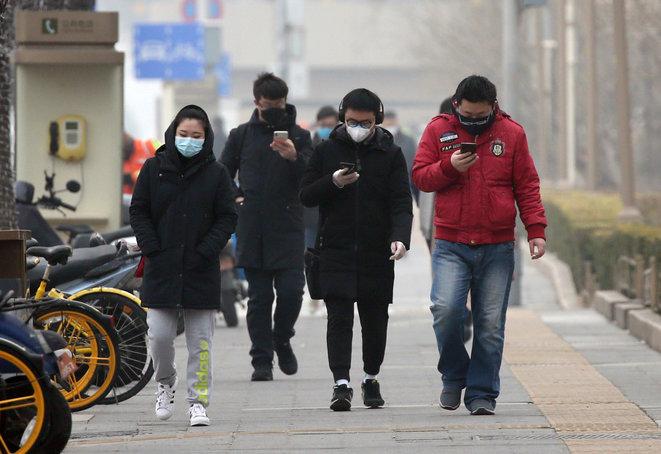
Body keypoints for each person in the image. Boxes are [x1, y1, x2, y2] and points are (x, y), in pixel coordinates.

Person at [412, 75, 547, 416]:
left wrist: (536, 230)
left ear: (493, 107)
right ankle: (454, 375)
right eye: (467, 115)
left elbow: (527, 184)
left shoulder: (511, 133)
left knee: (490, 325)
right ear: (456, 104)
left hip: (497, 244)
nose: (473, 121)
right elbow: (420, 176)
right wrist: (449, 167)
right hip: (451, 242)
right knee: (446, 311)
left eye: (480, 116)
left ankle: (482, 392)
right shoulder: (437, 130)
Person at [300, 88, 413, 411]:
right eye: (351, 121)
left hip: (377, 251)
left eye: (365, 122)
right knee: (338, 318)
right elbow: (306, 194)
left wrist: (400, 237)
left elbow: (401, 202)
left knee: (375, 318)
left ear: (376, 120)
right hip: (334, 248)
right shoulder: (325, 150)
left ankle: (370, 377)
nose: (358, 127)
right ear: (342, 118)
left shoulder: (390, 153)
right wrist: (333, 182)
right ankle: (341, 383)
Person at [130, 104, 238, 427]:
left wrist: (208, 249)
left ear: (206, 139)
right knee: (160, 337)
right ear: (173, 133)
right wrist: (152, 247)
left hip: (200, 268)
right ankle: (165, 382)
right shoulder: (153, 168)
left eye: (196, 136)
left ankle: (198, 402)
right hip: (161, 267)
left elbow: (228, 216)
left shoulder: (216, 173)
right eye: (183, 134)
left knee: (200, 343)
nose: (189, 140)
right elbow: (139, 211)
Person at [220, 73, 312, 382]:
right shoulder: (241, 135)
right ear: (257, 102)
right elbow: (223, 174)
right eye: (270, 104)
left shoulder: (299, 135)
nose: (275, 108)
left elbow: (311, 180)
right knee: (259, 299)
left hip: (287, 225)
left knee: (292, 292)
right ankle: (261, 360)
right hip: (252, 226)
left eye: (280, 104)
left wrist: (294, 157)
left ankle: (282, 337)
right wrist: (237, 198)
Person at [382, 110, 419, 203]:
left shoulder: (408, 140)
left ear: (396, 121)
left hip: (405, 183)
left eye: (392, 121)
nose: (390, 124)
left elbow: (414, 162)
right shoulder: (377, 140)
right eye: (387, 122)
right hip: (382, 186)